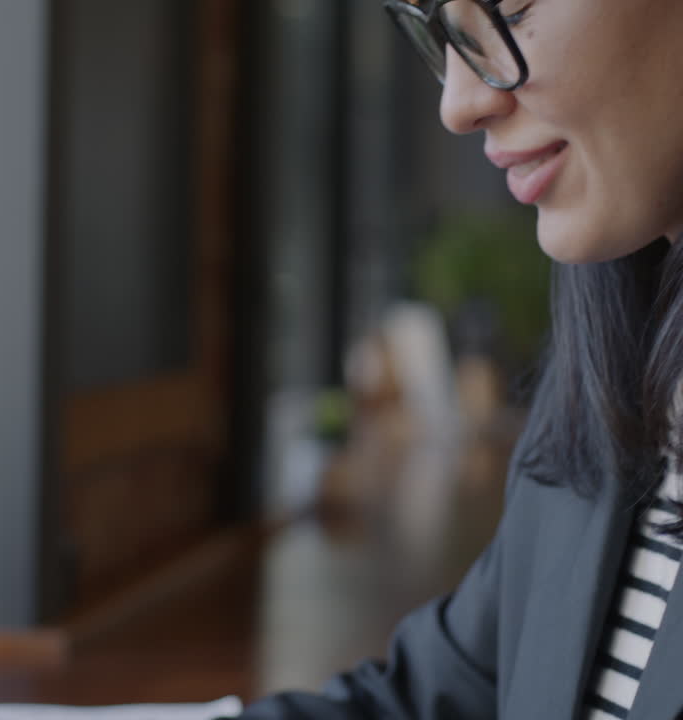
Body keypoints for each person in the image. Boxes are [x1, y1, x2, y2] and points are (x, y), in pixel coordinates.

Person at [238, 1, 683, 718]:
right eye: (441, 32)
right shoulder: (605, 402)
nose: (458, 103)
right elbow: (427, 698)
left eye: (507, 6)